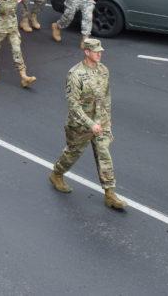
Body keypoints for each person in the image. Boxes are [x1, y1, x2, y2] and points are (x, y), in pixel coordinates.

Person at [48, 38, 126, 211]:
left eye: (100, 50)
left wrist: (107, 118)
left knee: (104, 153)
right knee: (72, 153)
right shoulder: (75, 74)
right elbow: (73, 105)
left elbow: (107, 96)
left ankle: (110, 194)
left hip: (100, 122)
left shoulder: (104, 70)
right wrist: (90, 124)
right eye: (96, 51)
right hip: (80, 125)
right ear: (87, 52)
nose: (100, 53)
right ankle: (57, 174)